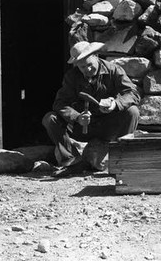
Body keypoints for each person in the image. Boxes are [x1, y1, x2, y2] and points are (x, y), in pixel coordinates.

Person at [42, 41, 140, 177]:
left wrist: (115, 104)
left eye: (89, 65)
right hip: (82, 127)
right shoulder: (72, 77)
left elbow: (132, 94)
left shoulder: (114, 70)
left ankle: (122, 160)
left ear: (96, 56)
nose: (87, 70)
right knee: (50, 118)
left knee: (132, 112)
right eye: (82, 67)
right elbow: (60, 103)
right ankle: (72, 162)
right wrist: (77, 117)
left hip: (108, 126)